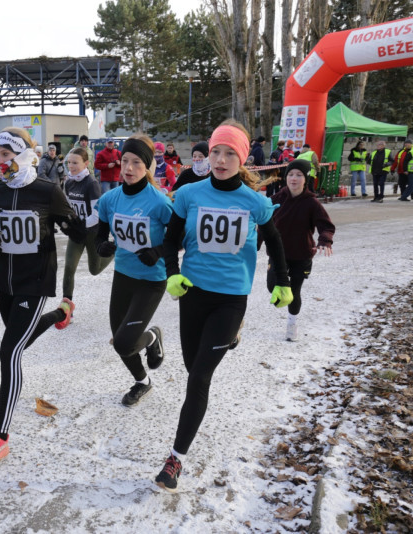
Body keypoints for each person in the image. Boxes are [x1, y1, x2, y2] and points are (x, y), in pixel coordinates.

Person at [157, 120, 292, 492]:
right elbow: (170, 240)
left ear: (242, 158)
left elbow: (275, 241)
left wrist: (283, 280)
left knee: (200, 378)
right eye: (215, 151)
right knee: (192, 369)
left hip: (231, 298)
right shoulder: (189, 194)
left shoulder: (255, 201)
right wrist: (171, 273)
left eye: (229, 153)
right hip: (193, 293)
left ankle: (175, 460)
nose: (219, 159)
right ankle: (229, 338)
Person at [0, 127, 87, 465]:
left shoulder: (47, 191)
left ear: (22, 155)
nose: (0, 161)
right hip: (4, 281)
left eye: (6, 155)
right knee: (21, 339)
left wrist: (71, 225)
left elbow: (77, 229)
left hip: (34, 283)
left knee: (9, 351)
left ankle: (1, 437)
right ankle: (60, 314)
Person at [95, 135, 172, 406]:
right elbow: (100, 234)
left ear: (147, 166)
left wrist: (158, 251)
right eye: (125, 161)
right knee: (121, 341)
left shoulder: (159, 202)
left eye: (137, 162)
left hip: (151, 280)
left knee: (124, 342)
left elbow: (181, 237)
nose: (128, 168)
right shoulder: (109, 199)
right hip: (123, 276)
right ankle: (143, 381)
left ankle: (152, 337)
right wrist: (101, 246)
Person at [263, 159, 335, 341]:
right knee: (272, 285)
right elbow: (263, 222)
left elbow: (326, 226)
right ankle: (284, 292)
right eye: (290, 174)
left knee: (294, 291)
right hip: (278, 254)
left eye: (299, 175)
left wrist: (325, 240)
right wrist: (254, 244)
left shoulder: (312, 203)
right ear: (285, 177)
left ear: (306, 179)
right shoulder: (276, 199)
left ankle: (292, 323)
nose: (294, 178)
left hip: (301, 255)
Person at [61, 147, 113, 310]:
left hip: (92, 232)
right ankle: (66, 307)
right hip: (77, 233)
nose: (71, 166)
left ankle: (114, 250)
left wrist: (81, 225)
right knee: (69, 267)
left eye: (75, 163)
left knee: (94, 270)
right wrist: (68, 223)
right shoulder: (68, 182)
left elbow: (96, 215)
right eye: (69, 162)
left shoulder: (91, 184)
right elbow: (68, 207)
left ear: (86, 164)